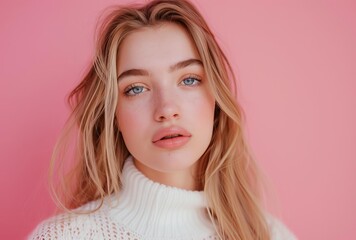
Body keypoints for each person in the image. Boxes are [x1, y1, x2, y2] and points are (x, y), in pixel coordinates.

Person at [29, 0, 296, 239]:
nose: (167, 109)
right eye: (136, 88)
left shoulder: (268, 234)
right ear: (113, 115)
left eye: (189, 80)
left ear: (216, 99)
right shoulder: (62, 236)